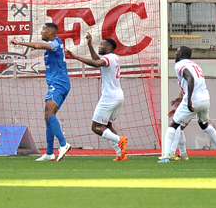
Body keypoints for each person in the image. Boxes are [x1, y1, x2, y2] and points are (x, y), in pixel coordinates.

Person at [11, 22, 73, 161]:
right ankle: (50, 153)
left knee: (49, 113)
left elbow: (38, 45)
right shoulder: (51, 47)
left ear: (51, 32)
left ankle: (63, 144)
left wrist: (19, 43)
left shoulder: (55, 43)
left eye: (44, 30)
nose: (41, 32)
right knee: (47, 116)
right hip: (56, 83)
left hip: (59, 83)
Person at [159, 45, 216, 163]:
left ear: (181, 55)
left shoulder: (179, 65)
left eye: (177, 52)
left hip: (194, 98)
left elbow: (190, 79)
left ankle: (166, 156)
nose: (175, 54)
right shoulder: (195, 65)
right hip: (205, 98)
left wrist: (189, 99)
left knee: (173, 126)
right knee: (204, 125)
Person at [65, 33, 129, 160]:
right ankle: (120, 154)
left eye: (101, 45)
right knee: (108, 126)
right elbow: (97, 60)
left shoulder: (109, 58)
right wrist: (90, 46)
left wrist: (77, 56)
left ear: (109, 47)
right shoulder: (114, 57)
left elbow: (95, 63)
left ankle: (119, 139)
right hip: (118, 96)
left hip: (109, 97)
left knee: (96, 127)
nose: (99, 47)